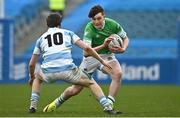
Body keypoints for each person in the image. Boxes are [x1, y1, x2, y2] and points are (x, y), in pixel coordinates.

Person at [28, 13, 120, 114]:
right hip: (68, 70)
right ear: (60, 24)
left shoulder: (40, 39)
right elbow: (87, 48)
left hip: (48, 72)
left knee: (37, 78)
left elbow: (32, 64)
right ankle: (108, 107)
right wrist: (102, 60)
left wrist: (32, 77)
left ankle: (33, 106)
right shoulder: (68, 33)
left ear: (47, 25)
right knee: (91, 82)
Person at [79, 5, 129, 108]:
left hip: (107, 56)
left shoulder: (113, 24)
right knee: (75, 89)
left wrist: (123, 48)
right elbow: (86, 52)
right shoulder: (89, 28)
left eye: (99, 18)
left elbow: (126, 38)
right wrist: (103, 45)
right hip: (91, 57)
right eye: (94, 19)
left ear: (104, 16)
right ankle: (57, 102)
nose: (96, 21)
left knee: (118, 73)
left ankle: (109, 103)